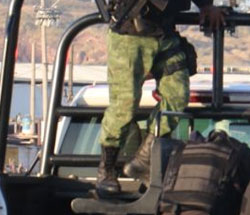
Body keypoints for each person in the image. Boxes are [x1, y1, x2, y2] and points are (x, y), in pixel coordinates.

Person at [94, 0, 228, 196]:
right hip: (129, 34)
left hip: (163, 33)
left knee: (177, 94)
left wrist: (206, 6)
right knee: (124, 104)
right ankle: (106, 170)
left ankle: (144, 159)